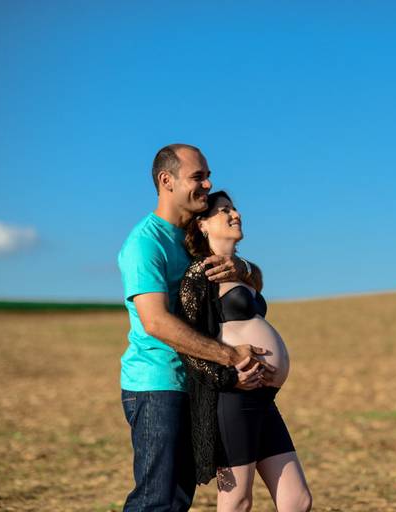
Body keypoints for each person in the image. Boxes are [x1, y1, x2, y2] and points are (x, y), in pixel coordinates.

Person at [117, 143, 272, 511]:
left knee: (178, 498)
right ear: (166, 180)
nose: (207, 184)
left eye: (208, 176)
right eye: (198, 177)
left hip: (195, 384)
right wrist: (230, 356)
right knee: (159, 500)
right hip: (158, 386)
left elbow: (254, 283)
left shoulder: (196, 239)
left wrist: (244, 271)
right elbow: (156, 322)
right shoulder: (145, 243)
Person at [176, 190, 312, 512]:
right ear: (202, 225)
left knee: (298, 500)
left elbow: (256, 280)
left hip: (263, 399)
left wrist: (243, 267)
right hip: (233, 398)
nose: (235, 214)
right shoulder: (199, 274)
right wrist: (227, 376)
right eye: (224, 210)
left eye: (235, 208)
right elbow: (187, 342)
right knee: (237, 500)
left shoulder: (241, 272)